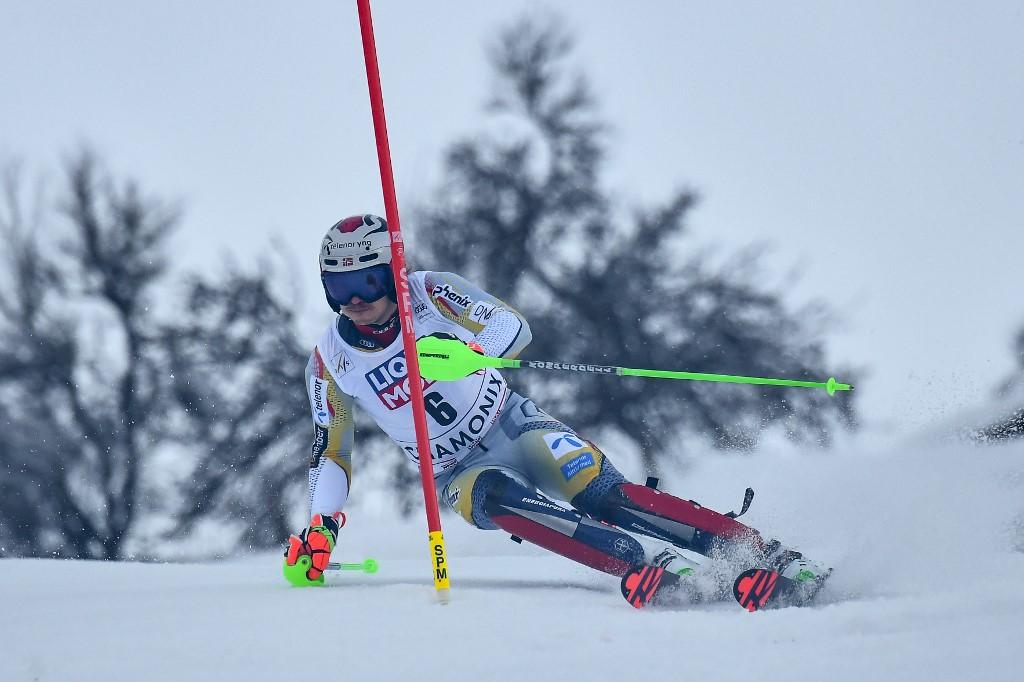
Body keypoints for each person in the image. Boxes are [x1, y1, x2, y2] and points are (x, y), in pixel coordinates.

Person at [283, 214, 828, 605]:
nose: (355, 299)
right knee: (501, 499)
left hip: (511, 421)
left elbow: (511, 327)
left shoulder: (429, 293)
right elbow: (332, 452)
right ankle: (643, 564)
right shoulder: (329, 361)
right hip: (456, 468)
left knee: (601, 493)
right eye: (339, 286)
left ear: (391, 272)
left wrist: (466, 355)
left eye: (367, 281)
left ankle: (764, 555)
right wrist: (321, 529)